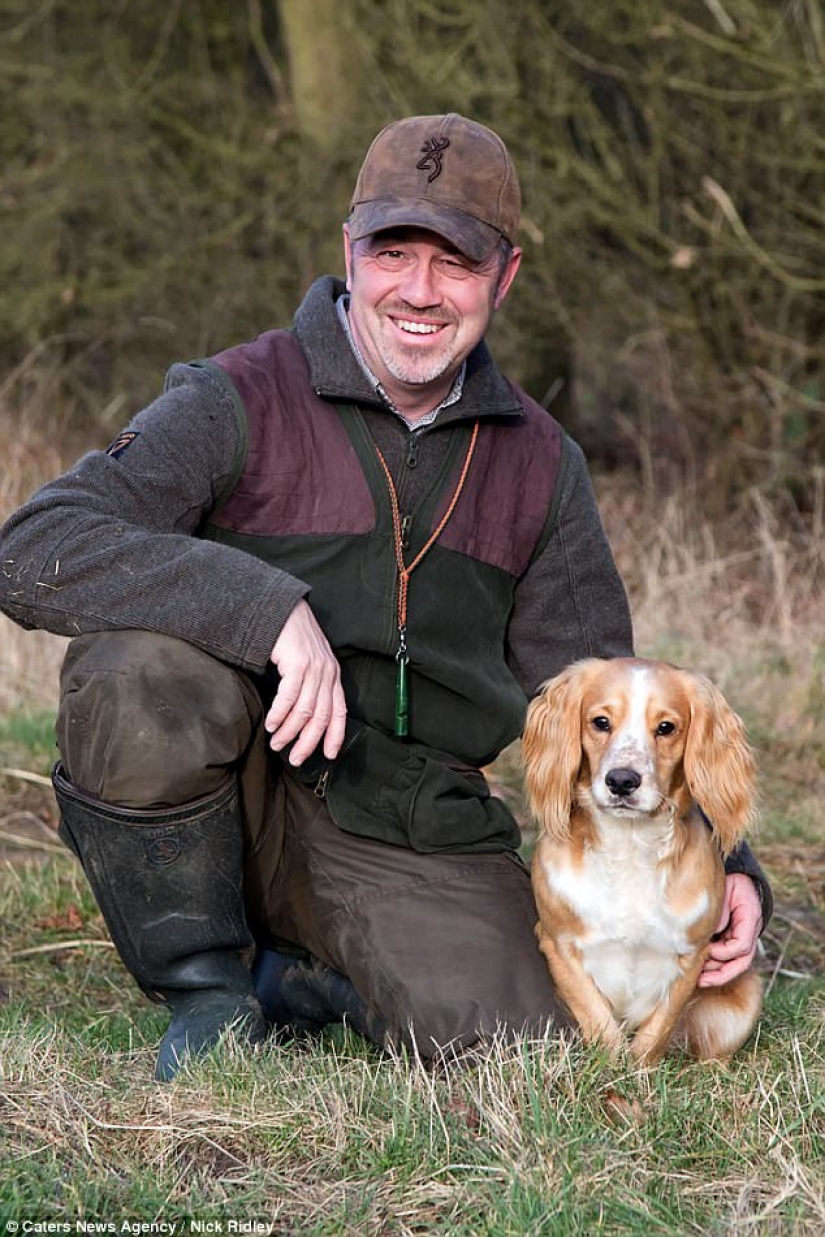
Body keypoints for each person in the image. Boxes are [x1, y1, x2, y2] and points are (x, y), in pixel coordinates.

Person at [0, 113, 771, 1080]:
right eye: (392, 252)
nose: (418, 290)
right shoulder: (235, 396)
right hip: (229, 790)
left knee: (524, 1047)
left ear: (505, 277)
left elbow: (599, 691)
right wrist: (266, 608)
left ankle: (311, 975)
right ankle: (204, 986)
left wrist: (729, 863)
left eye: (454, 263)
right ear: (349, 252)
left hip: (406, 823)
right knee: (138, 672)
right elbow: (34, 547)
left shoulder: (540, 461)